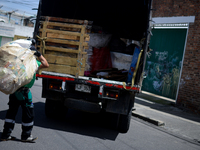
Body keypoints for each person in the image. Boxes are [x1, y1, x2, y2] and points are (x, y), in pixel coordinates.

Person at [0, 39, 49, 142]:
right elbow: (46, 64)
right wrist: (38, 54)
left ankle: (6, 134)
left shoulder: (16, 60)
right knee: (28, 113)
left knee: (11, 112)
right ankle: (26, 136)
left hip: (14, 90)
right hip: (24, 92)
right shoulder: (32, 62)